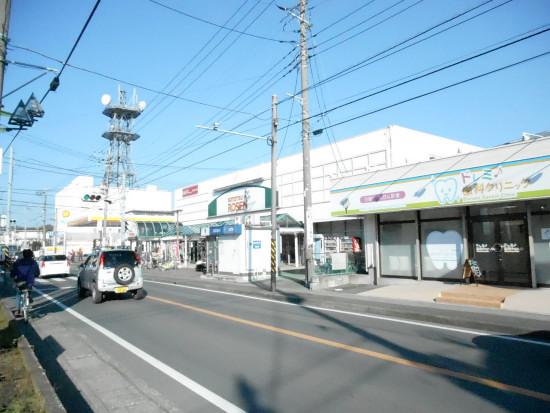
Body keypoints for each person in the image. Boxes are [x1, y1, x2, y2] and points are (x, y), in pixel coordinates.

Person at [10, 249, 39, 317]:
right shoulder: (34, 262)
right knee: (29, 288)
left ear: (23, 255)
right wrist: (36, 275)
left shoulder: (18, 262)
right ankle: (28, 296)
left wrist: (13, 276)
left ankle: (18, 310)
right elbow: (37, 272)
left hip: (20, 282)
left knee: (18, 294)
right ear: (31, 255)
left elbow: (13, 272)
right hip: (29, 282)